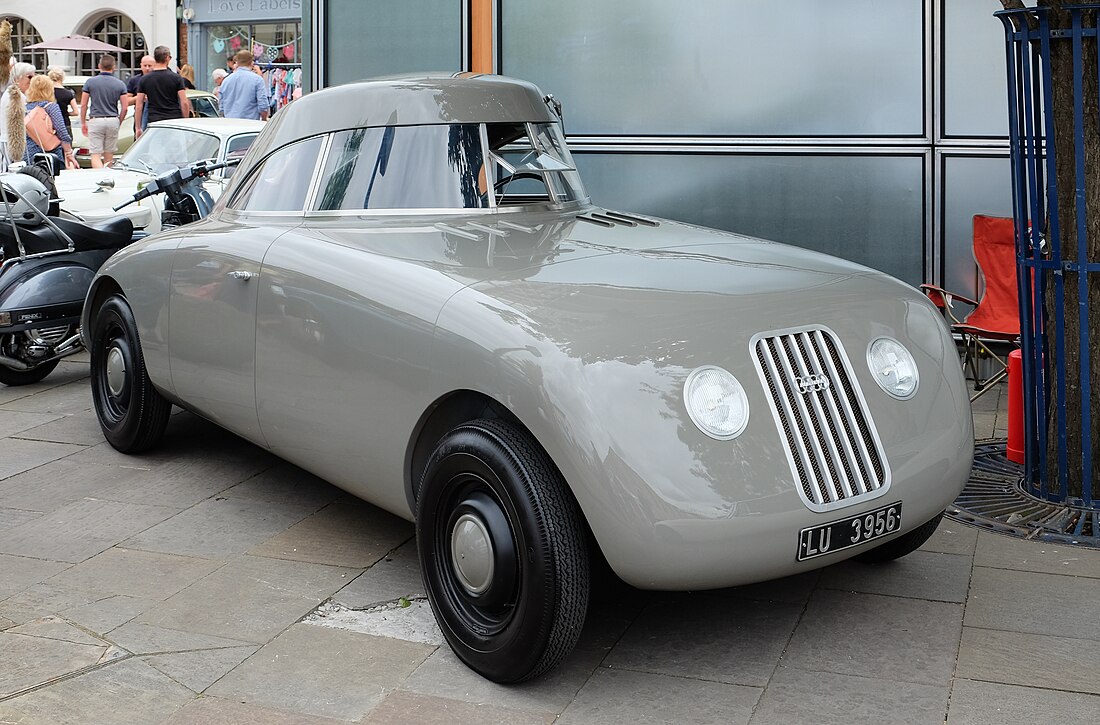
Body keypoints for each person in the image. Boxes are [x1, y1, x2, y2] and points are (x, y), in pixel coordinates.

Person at [79, 54, 128, 168]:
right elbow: (125, 107)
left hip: (96, 119)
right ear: (114, 67)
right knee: (109, 154)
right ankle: (108, 178)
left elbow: (84, 104)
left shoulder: (90, 82)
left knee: (95, 154)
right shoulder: (120, 84)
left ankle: (100, 176)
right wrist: (119, 121)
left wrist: (83, 122)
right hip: (112, 119)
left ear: (99, 65)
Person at [134, 46, 190, 138]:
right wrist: (186, 121)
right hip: (174, 119)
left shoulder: (145, 79)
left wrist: (138, 127)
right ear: (167, 58)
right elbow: (184, 102)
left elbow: (139, 105)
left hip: (154, 120)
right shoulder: (176, 78)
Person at [24, 74, 75, 169]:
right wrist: (68, 153)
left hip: (29, 154)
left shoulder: (25, 108)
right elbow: (62, 132)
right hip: (50, 154)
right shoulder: (51, 107)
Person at [0, 62, 35, 169]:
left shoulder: (13, 94)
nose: (32, 80)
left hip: (9, 140)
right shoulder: (15, 96)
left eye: (34, 76)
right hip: (12, 142)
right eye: (29, 77)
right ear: (17, 78)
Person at [218, 50, 268, 121]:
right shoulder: (257, 80)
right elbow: (263, 105)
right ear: (252, 62)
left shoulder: (226, 81)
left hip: (230, 124)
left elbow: (221, 107)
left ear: (237, 62)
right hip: (250, 124)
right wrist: (264, 119)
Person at [47, 68, 77, 139]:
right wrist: (67, 113)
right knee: (67, 146)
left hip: (49, 124)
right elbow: (76, 112)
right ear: (62, 78)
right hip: (64, 123)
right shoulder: (68, 93)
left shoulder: (47, 93)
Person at [126, 54, 154, 130]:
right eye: (145, 65)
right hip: (140, 116)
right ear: (141, 65)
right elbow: (126, 101)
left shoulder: (158, 79)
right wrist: (138, 98)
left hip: (155, 115)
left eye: (150, 65)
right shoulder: (134, 80)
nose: (147, 68)